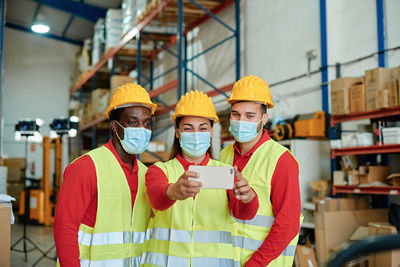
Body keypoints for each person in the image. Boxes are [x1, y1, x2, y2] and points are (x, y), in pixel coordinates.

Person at [142, 90, 259, 266]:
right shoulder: (159, 171)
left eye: (203, 128)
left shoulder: (225, 173)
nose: (196, 134)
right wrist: (172, 191)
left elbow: (243, 214)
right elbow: (156, 199)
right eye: (188, 128)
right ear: (177, 132)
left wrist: (249, 198)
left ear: (211, 132)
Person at [54, 83, 156, 266]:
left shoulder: (146, 174)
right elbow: (65, 229)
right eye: (133, 122)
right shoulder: (86, 168)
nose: (142, 129)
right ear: (114, 126)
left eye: (147, 124)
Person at [219, 75, 302, 267]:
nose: (241, 121)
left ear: (264, 119)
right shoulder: (224, 157)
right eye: (236, 114)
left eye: (250, 116)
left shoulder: (281, 160)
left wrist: (254, 264)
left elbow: (288, 225)